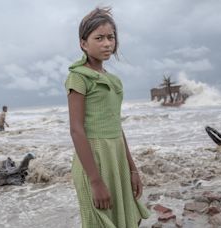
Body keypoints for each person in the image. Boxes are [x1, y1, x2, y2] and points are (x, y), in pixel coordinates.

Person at [65, 7, 150, 228]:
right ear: (84, 44)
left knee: (126, 218)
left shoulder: (114, 81)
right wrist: (95, 181)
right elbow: (76, 130)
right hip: (94, 160)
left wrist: (132, 168)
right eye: (99, 38)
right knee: (99, 221)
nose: (107, 43)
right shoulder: (78, 78)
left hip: (117, 158)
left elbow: (116, 126)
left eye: (111, 37)